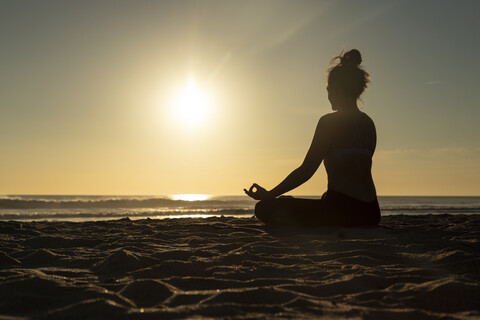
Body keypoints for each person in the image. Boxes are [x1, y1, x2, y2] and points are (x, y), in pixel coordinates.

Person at [244, 49, 380, 227]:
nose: (328, 95)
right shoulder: (368, 124)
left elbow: (306, 170)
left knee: (264, 208)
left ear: (337, 89)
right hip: (371, 213)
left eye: (329, 89)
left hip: (343, 211)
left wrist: (270, 194)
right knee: (298, 202)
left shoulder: (329, 122)